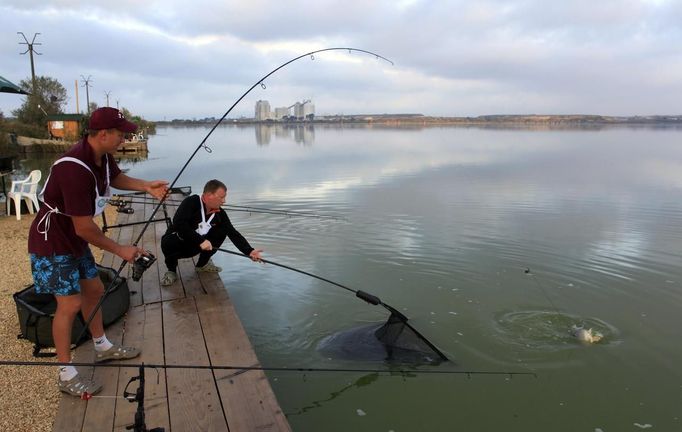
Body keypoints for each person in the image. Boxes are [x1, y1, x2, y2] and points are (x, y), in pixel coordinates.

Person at [28, 107, 169, 397]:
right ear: (103, 134)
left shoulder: (101, 156)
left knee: (93, 290)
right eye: (120, 133)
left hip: (73, 239)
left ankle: (102, 346)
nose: (124, 138)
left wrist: (146, 186)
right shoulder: (73, 168)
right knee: (69, 304)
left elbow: (115, 179)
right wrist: (121, 249)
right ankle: (66, 375)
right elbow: (84, 228)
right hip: (53, 241)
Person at [160, 179, 262, 286]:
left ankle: (202, 265)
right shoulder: (192, 202)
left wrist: (249, 251)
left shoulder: (220, 213)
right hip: (177, 244)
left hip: (196, 246)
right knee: (168, 241)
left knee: (223, 231)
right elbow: (179, 223)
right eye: (221, 197)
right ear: (209, 195)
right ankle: (171, 271)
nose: (224, 201)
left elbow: (233, 233)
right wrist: (201, 240)